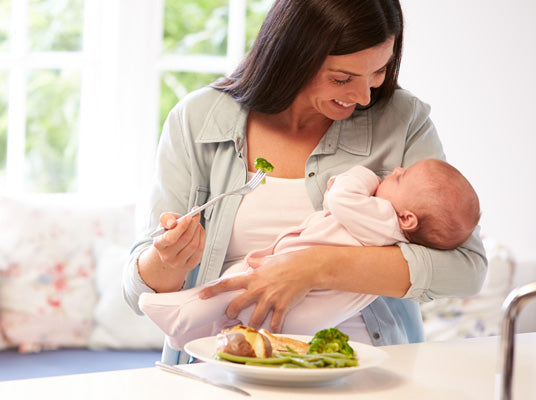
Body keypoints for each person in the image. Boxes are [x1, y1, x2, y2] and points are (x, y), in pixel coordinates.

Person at [122, 0, 487, 365]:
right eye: (342, 78)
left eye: (378, 71)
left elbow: (466, 268)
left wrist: (314, 267)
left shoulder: (403, 121)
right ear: (290, 56)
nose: (364, 96)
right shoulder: (198, 119)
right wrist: (169, 259)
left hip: (366, 372)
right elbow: (137, 289)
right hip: (224, 368)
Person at [138, 159, 481, 350]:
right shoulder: (398, 235)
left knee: (231, 287)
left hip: (296, 287)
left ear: (407, 218)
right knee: (232, 318)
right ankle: (188, 334)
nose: (392, 172)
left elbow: (342, 198)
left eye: (400, 177)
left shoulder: (383, 216)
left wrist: (360, 174)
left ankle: (177, 314)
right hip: (316, 316)